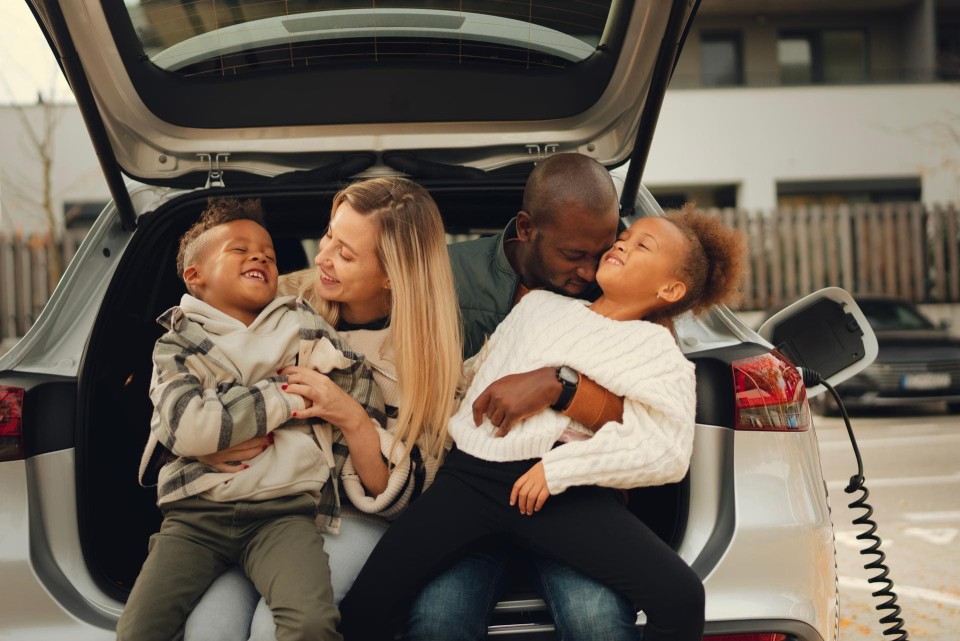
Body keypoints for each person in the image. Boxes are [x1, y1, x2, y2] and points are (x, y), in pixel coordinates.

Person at [337, 205, 746, 641]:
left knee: (681, 597)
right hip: (471, 477)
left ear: (670, 287)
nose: (622, 245)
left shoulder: (657, 352)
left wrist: (557, 472)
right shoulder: (538, 307)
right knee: (365, 607)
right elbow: (474, 375)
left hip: (562, 493)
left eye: (642, 245)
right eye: (624, 239)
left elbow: (665, 451)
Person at [181, 178, 462, 641]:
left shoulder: (427, 362)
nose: (322, 256)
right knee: (208, 626)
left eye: (346, 254)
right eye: (329, 234)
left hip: (353, 518)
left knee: (277, 627)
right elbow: (193, 372)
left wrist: (349, 415)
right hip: (264, 507)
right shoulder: (280, 300)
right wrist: (208, 449)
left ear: (393, 272)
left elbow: (405, 497)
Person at [116, 197, 387, 641]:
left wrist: (322, 417)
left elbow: (357, 392)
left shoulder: (301, 325)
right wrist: (281, 396)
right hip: (194, 519)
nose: (259, 255)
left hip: (283, 515)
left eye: (268, 253)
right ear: (194, 275)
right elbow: (191, 426)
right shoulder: (176, 345)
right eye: (239, 249)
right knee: (138, 630)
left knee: (311, 623)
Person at [407, 152, 637, 641]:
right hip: (465, 502)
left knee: (600, 623)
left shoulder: (622, 287)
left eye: (604, 252)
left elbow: (643, 412)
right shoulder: (445, 276)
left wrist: (560, 386)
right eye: (575, 255)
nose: (593, 271)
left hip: (571, 502)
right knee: (436, 623)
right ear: (527, 227)